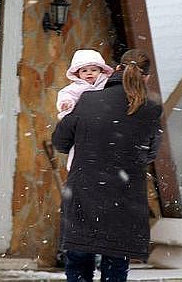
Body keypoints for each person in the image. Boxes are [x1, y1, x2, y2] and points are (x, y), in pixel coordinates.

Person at [52, 49, 163, 282]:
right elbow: (150, 152)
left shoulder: (88, 100)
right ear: (146, 77)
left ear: (117, 69)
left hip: (84, 192)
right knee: (115, 266)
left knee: (79, 262)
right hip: (125, 197)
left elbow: (60, 142)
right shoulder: (151, 108)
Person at [56, 48, 114, 171]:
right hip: (83, 123)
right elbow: (66, 95)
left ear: (101, 71)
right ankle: (75, 166)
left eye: (94, 70)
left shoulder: (107, 84)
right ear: (78, 73)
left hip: (104, 122)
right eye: (84, 70)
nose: (89, 73)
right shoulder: (76, 88)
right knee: (79, 146)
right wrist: (67, 104)